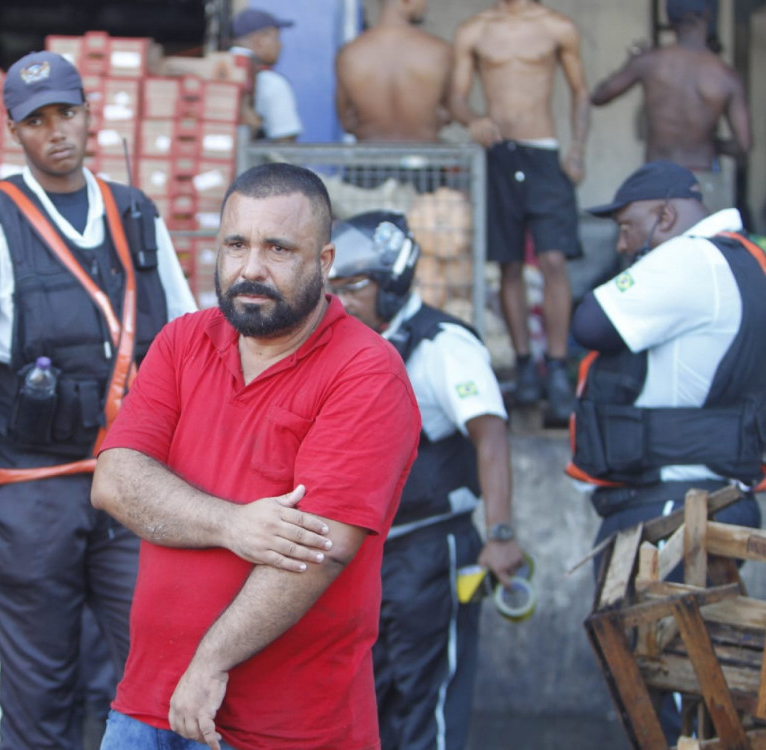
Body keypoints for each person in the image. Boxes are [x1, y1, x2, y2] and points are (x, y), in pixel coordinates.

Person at [0, 50, 196, 750]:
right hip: (28, 489)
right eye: (36, 121)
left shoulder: (136, 216)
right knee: (35, 693)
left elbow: (188, 352)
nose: (56, 131)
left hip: (132, 487)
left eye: (66, 113)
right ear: (14, 131)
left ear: (89, 114)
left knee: (155, 679)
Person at [91, 163, 422, 750]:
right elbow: (116, 481)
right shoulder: (182, 342)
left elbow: (319, 549)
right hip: (145, 706)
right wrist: (235, 524)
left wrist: (210, 662)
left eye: (278, 249)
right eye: (236, 245)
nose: (250, 269)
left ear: (324, 264)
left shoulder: (366, 371)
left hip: (288, 728)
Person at [569, 160, 765, 741]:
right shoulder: (750, 262)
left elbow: (592, 322)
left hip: (668, 514)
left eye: (628, 229)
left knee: (658, 702)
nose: (624, 246)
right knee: (712, 701)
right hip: (718, 499)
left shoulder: (689, 257)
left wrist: (636, 268)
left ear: (665, 216)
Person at [328, 211, 525, 750]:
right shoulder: (344, 344)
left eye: (355, 287)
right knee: (369, 698)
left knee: (427, 699)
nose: (341, 300)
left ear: (393, 285)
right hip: (364, 552)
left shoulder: (443, 344)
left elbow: (492, 436)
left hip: (430, 547)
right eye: (334, 289)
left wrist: (501, 535)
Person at [448, 0, 590, 423]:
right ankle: (526, 365)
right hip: (497, 154)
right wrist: (473, 118)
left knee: (553, 260)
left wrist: (578, 148)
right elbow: (455, 97)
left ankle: (558, 368)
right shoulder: (475, 30)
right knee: (509, 263)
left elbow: (582, 92)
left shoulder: (556, 27)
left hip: (545, 153)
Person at [590, 0, 751, 212]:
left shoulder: (649, 62)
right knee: (708, 244)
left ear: (669, 20)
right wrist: (711, 143)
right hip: (702, 179)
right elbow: (743, 145)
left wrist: (631, 61)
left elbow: (599, 96)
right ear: (707, 17)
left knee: (652, 243)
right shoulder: (725, 76)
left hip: (657, 177)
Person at [335, 0, 452, 143]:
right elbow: (449, 114)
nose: (426, 4)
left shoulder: (349, 54)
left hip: (369, 160)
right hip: (425, 158)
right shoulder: (439, 51)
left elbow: (346, 122)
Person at [230, 8, 303, 142]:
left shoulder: (216, 72)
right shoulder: (271, 83)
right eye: (277, 38)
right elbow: (286, 144)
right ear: (259, 41)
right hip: (251, 162)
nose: (280, 45)